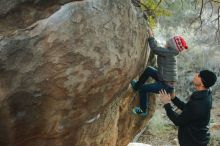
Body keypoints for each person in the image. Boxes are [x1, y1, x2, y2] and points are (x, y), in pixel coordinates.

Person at [131, 28, 188, 117]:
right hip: (164, 79)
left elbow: (155, 48)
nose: (167, 42)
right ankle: (136, 86)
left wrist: (151, 37)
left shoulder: (168, 52)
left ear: (171, 45)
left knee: (143, 89)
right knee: (149, 70)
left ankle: (143, 110)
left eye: (169, 41)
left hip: (165, 85)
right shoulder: (171, 52)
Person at [159, 70, 217, 146]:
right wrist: (174, 98)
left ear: (202, 83)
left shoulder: (199, 103)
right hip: (197, 139)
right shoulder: (205, 94)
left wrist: (167, 104)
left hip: (192, 142)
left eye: (199, 76)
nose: (196, 75)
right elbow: (188, 109)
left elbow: (178, 121)